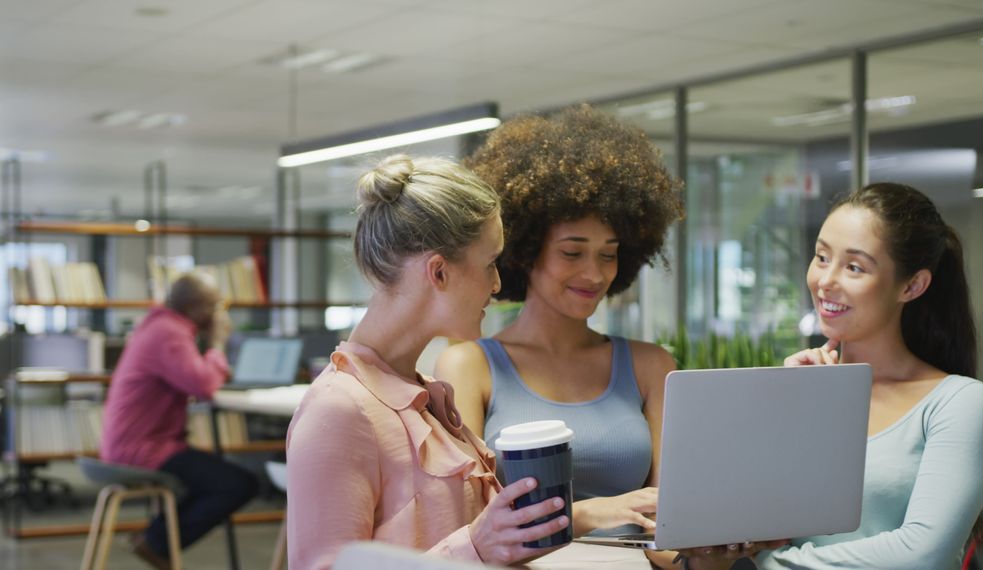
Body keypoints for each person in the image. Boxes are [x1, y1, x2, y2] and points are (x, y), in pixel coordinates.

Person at [682, 183, 983, 569]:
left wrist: (767, 563)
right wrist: (776, 404)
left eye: (854, 267)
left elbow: (922, 555)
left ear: (912, 285)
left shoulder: (957, 401)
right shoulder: (797, 387)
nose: (825, 280)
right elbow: (724, 528)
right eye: (821, 257)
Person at [285, 154, 569, 570]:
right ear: (438, 273)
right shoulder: (341, 410)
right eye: (490, 264)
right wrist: (475, 547)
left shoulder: (424, 397)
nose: (497, 284)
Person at [433, 105, 683, 549]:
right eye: (572, 253)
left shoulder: (651, 366)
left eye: (609, 254)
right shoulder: (468, 367)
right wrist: (581, 515)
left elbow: (674, 523)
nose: (595, 273)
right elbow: (468, 526)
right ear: (525, 251)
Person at [100, 273, 256, 570]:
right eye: (215, 305)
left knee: (213, 476)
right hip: (144, 449)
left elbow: (193, 378)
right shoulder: (169, 332)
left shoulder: (158, 325)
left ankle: (156, 540)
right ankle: (155, 542)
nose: (219, 313)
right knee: (237, 483)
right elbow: (204, 386)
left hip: (134, 444)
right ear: (197, 307)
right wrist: (218, 344)